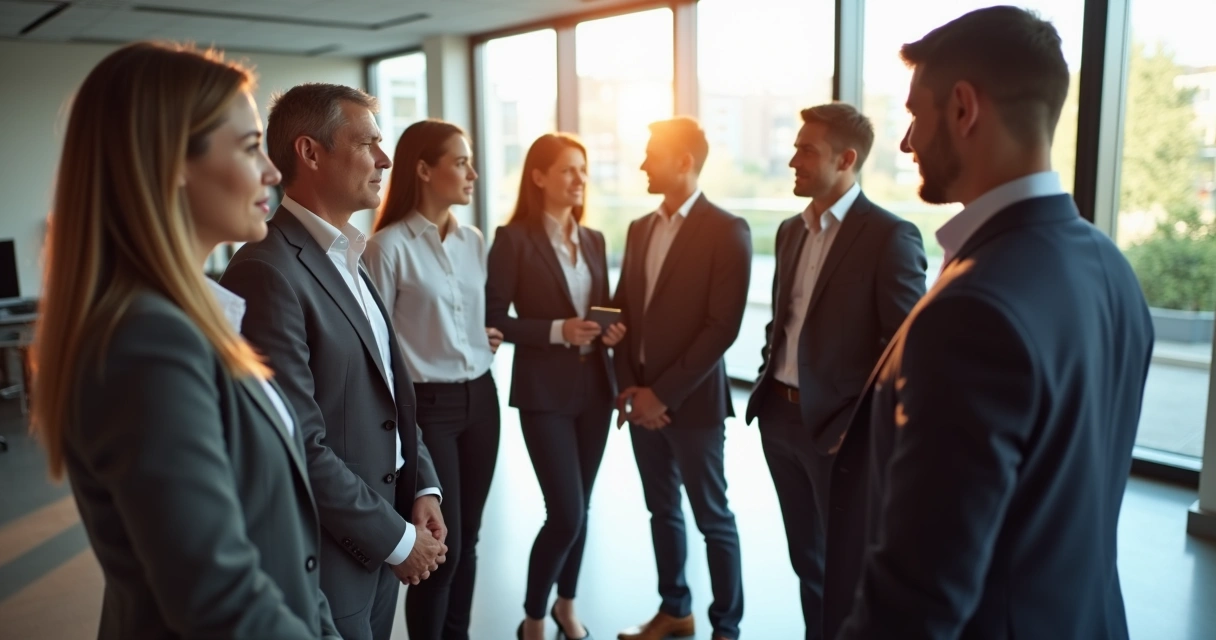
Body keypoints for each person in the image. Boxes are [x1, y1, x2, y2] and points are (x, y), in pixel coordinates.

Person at [833, 7, 1154, 639]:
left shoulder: (970, 310)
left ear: (962, 109)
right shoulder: (1111, 268)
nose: (906, 143)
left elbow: (920, 596)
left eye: (914, 115)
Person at [31, 42, 339, 638]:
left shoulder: (189, 320)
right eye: (251, 149)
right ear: (170, 158)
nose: (273, 173)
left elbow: (284, 558)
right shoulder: (146, 343)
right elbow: (220, 598)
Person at [220, 83, 444, 640]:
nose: (386, 159)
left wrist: (421, 487)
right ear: (311, 152)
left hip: (382, 540)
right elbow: (297, 442)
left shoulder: (349, 255)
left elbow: (388, 393)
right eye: (368, 142)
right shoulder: (266, 270)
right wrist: (395, 540)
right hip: (329, 561)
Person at [743, 102, 926, 640]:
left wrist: (858, 426)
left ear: (846, 159)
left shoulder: (891, 236)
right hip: (778, 419)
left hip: (840, 433)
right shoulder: (789, 232)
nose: (792, 159)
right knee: (808, 562)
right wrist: (767, 381)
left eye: (806, 150)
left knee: (847, 569)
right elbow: (784, 321)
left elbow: (902, 350)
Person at [613, 117, 752, 640]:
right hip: (640, 398)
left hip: (691, 405)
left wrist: (660, 394)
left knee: (712, 515)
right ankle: (675, 610)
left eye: (652, 154)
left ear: (684, 161)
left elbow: (723, 328)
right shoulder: (639, 228)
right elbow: (621, 310)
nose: (644, 164)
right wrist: (629, 386)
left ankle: (726, 627)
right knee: (661, 511)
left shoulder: (727, 229)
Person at [363, 118, 501, 640]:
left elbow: (460, 316)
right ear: (424, 169)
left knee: (472, 539)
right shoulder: (387, 247)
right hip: (428, 408)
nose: (473, 173)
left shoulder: (473, 240)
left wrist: (476, 335)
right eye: (461, 162)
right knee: (443, 545)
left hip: (481, 397)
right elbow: (375, 345)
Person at [485, 133, 627, 640]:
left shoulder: (593, 240)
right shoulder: (513, 239)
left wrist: (610, 327)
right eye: (568, 170)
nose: (579, 180)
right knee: (564, 510)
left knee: (581, 508)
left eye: (583, 170)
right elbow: (495, 318)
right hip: (544, 392)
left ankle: (567, 604)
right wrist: (556, 331)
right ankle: (533, 616)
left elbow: (606, 304)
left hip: (595, 388)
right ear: (539, 176)